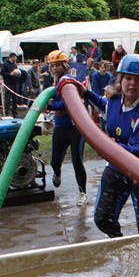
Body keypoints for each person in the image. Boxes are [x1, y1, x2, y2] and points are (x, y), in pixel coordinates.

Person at [81, 53, 139, 237]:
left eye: (138, 80)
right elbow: (103, 105)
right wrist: (84, 92)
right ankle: (118, 243)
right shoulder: (115, 101)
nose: (132, 83)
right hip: (118, 167)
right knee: (102, 219)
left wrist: (111, 147)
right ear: (120, 79)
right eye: (128, 78)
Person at [47, 50, 88, 206]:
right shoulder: (54, 81)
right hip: (60, 126)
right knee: (54, 161)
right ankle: (57, 173)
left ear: (64, 65)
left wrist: (51, 107)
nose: (55, 68)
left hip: (75, 126)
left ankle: (82, 192)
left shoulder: (68, 80)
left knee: (77, 161)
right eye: (52, 65)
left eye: (58, 65)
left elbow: (68, 102)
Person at [0, 52, 20, 118]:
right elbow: (2, 72)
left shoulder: (14, 65)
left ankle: (15, 113)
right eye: (15, 56)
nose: (16, 58)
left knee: (15, 99)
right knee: (7, 98)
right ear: (12, 56)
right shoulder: (5, 64)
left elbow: (16, 72)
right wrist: (10, 74)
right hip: (8, 84)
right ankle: (6, 113)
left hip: (14, 83)